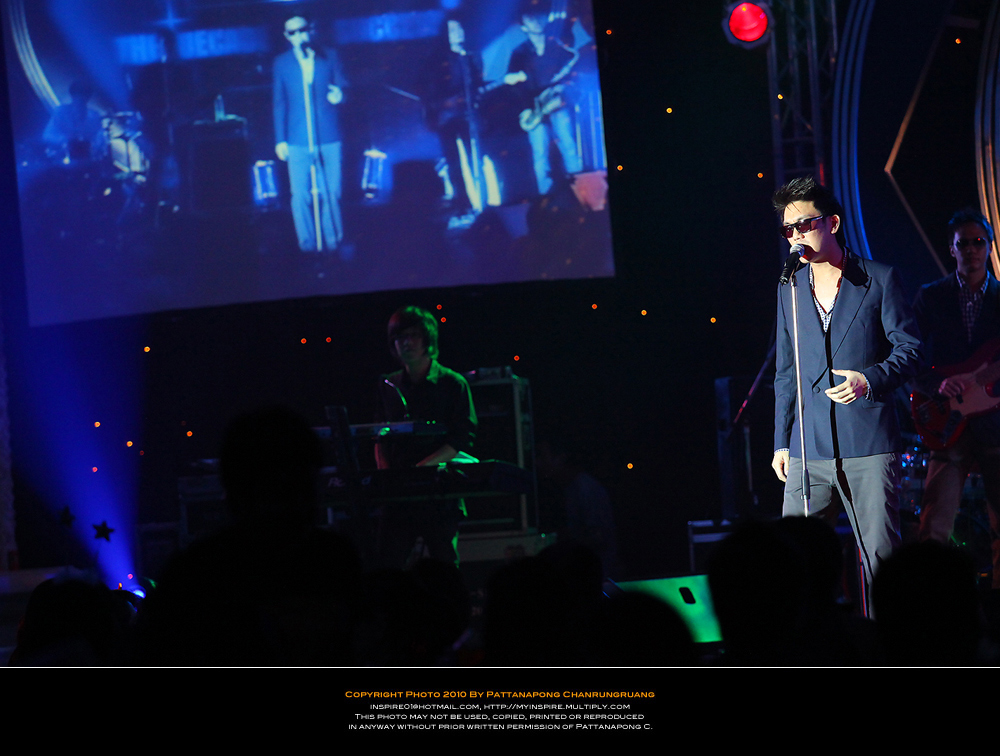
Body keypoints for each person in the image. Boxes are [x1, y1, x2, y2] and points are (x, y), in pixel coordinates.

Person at [771, 177, 922, 606]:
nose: (796, 236)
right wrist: (782, 442)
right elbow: (786, 371)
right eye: (788, 229)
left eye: (805, 225)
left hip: (868, 444)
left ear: (832, 223)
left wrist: (868, 379)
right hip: (808, 447)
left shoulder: (879, 279)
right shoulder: (789, 287)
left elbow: (911, 350)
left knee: (881, 561)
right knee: (795, 562)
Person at [912, 209, 1000, 587]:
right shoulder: (931, 297)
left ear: (990, 246)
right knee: (934, 526)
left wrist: (979, 379)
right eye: (963, 243)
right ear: (951, 249)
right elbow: (907, 354)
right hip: (946, 424)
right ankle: (932, 606)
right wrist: (937, 386)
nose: (971, 250)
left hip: (995, 425)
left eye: (978, 242)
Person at [373, 306, 478, 567]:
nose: (406, 343)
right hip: (399, 495)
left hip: (439, 491)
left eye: (413, 335)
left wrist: (424, 468)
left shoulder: (452, 383)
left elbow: (462, 438)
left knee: (444, 565)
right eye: (400, 337)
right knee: (387, 566)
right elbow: (379, 436)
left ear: (427, 339)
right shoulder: (389, 385)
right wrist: (386, 476)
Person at [273, 15, 346, 253]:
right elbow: (279, 103)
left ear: (310, 31)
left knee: (331, 191)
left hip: (328, 135)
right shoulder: (281, 63)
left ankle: (333, 242)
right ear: (286, 36)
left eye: (301, 30)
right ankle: (307, 244)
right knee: (299, 195)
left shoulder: (329, 55)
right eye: (292, 32)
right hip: (297, 138)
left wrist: (340, 95)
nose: (298, 35)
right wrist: (280, 139)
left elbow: (344, 85)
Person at [505, 5, 582, 195]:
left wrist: (563, 86)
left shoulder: (556, 46)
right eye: (530, 20)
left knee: (568, 146)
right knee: (540, 154)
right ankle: (546, 198)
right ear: (523, 27)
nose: (536, 22)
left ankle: (581, 191)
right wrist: (526, 109)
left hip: (556, 104)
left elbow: (570, 73)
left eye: (537, 18)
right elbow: (514, 87)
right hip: (534, 108)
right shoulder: (519, 53)